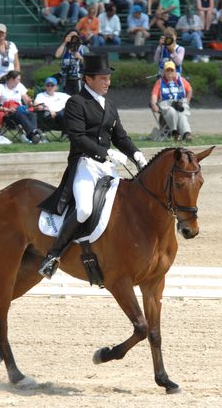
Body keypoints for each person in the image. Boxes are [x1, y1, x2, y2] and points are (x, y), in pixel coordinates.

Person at [37, 53, 148, 279]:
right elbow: (78, 138)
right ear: (89, 79)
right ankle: (53, 255)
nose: (108, 82)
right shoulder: (76, 103)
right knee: (85, 209)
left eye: (108, 78)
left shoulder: (110, 104)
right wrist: (106, 152)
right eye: (103, 79)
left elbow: (120, 137)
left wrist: (136, 154)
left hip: (107, 167)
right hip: (85, 164)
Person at [0, 70, 45, 144]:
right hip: (7, 113)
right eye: (18, 79)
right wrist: (8, 109)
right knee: (19, 113)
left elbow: (27, 100)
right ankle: (35, 133)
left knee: (32, 114)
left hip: (19, 110)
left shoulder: (19, 86)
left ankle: (33, 135)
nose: (19, 81)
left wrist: (31, 103)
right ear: (11, 79)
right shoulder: (0, 87)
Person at [150, 60, 193, 142]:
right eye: (167, 70)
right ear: (164, 72)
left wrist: (187, 101)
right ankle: (174, 132)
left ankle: (186, 134)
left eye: (171, 70)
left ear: (175, 71)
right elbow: (154, 94)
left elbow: (189, 90)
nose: (170, 72)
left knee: (182, 115)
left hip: (179, 103)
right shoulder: (160, 82)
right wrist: (153, 104)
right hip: (166, 104)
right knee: (171, 111)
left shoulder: (181, 80)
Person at [55, 29, 88, 95]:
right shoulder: (64, 48)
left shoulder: (83, 48)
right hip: (65, 78)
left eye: (74, 36)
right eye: (70, 35)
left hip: (79, 78)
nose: (72, 37)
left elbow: (90, 63)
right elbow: (57, 55)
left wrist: (80, 58)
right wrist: (64, 42)